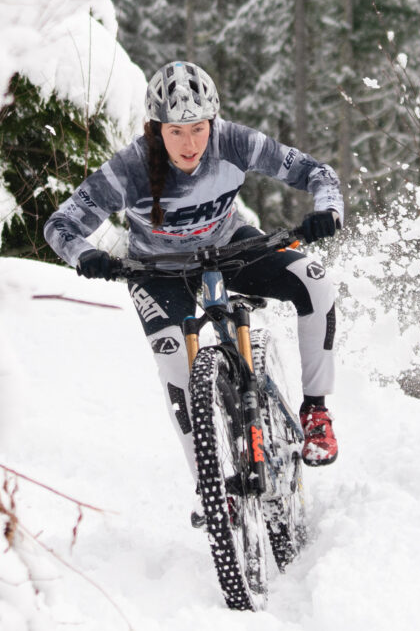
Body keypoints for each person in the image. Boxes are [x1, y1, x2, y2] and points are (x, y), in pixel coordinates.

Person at [44, 61, 344, 468]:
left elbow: (317, 172)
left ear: (212, 122)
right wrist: (87, 255)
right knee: (174, 364)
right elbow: (60, 224)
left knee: (314, 280)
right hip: (156, 271)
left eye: (199, 128)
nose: (190, 144)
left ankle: (315, 412)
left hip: (229, 249)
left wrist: (327, 210)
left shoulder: (235, 141)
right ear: (156, 128)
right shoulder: (130, 168)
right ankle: (209, 482)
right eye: (176, 131)